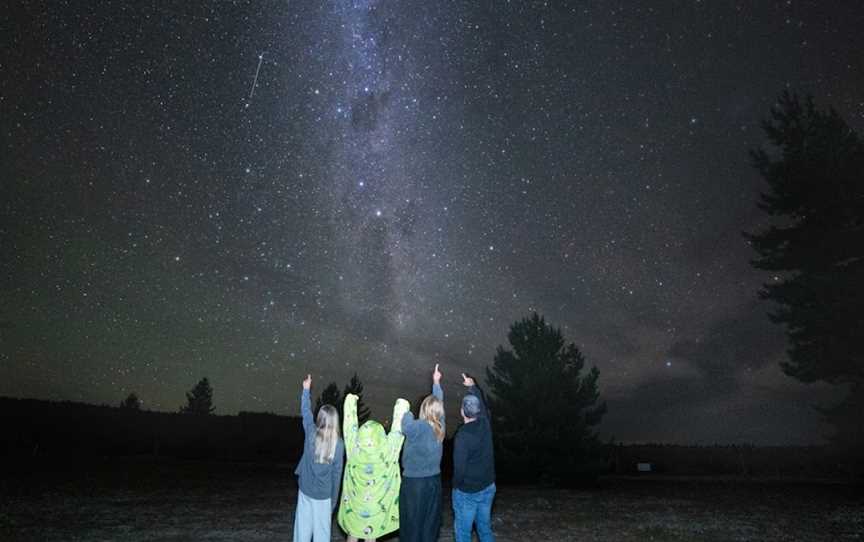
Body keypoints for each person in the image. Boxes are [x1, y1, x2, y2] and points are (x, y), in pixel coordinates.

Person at [338, 391, 410, 542]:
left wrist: (351, 401)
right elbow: (397, 431)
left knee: (354, 532)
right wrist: (401, 406)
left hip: (355, 507)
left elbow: (349, 426)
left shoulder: (354, 448)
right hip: (376, 508)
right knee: (371, 535)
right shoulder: (388, 452)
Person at [293, 374, 344, 542]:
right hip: (324, 497)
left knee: (302, 532)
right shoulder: (339, 445)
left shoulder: (311, 433)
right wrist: (333, 501)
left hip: (305, 490)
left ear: (319, 418)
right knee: (322, 535)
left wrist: (306, 390)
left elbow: (306, 412)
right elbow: (337, 476)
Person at [399, 363, 446, 542]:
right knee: (429, 525)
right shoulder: (440, 427)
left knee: (411, 525)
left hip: (414, 484)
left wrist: (407, 412)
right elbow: (439, 405)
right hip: (434, 482)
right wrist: (436, 383)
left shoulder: (417, 426)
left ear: (423, 410)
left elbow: (405, 425)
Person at [452, 372, 496, 542]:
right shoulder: (485, 423)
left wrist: (456, 486)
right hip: (488, 487)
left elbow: (460, 468)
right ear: (478, 411)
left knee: (463, 533)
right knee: (484, 529)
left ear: (462, 411)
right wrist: (473, 387)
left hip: (468, 492)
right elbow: (483, 406)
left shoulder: (462, 435)